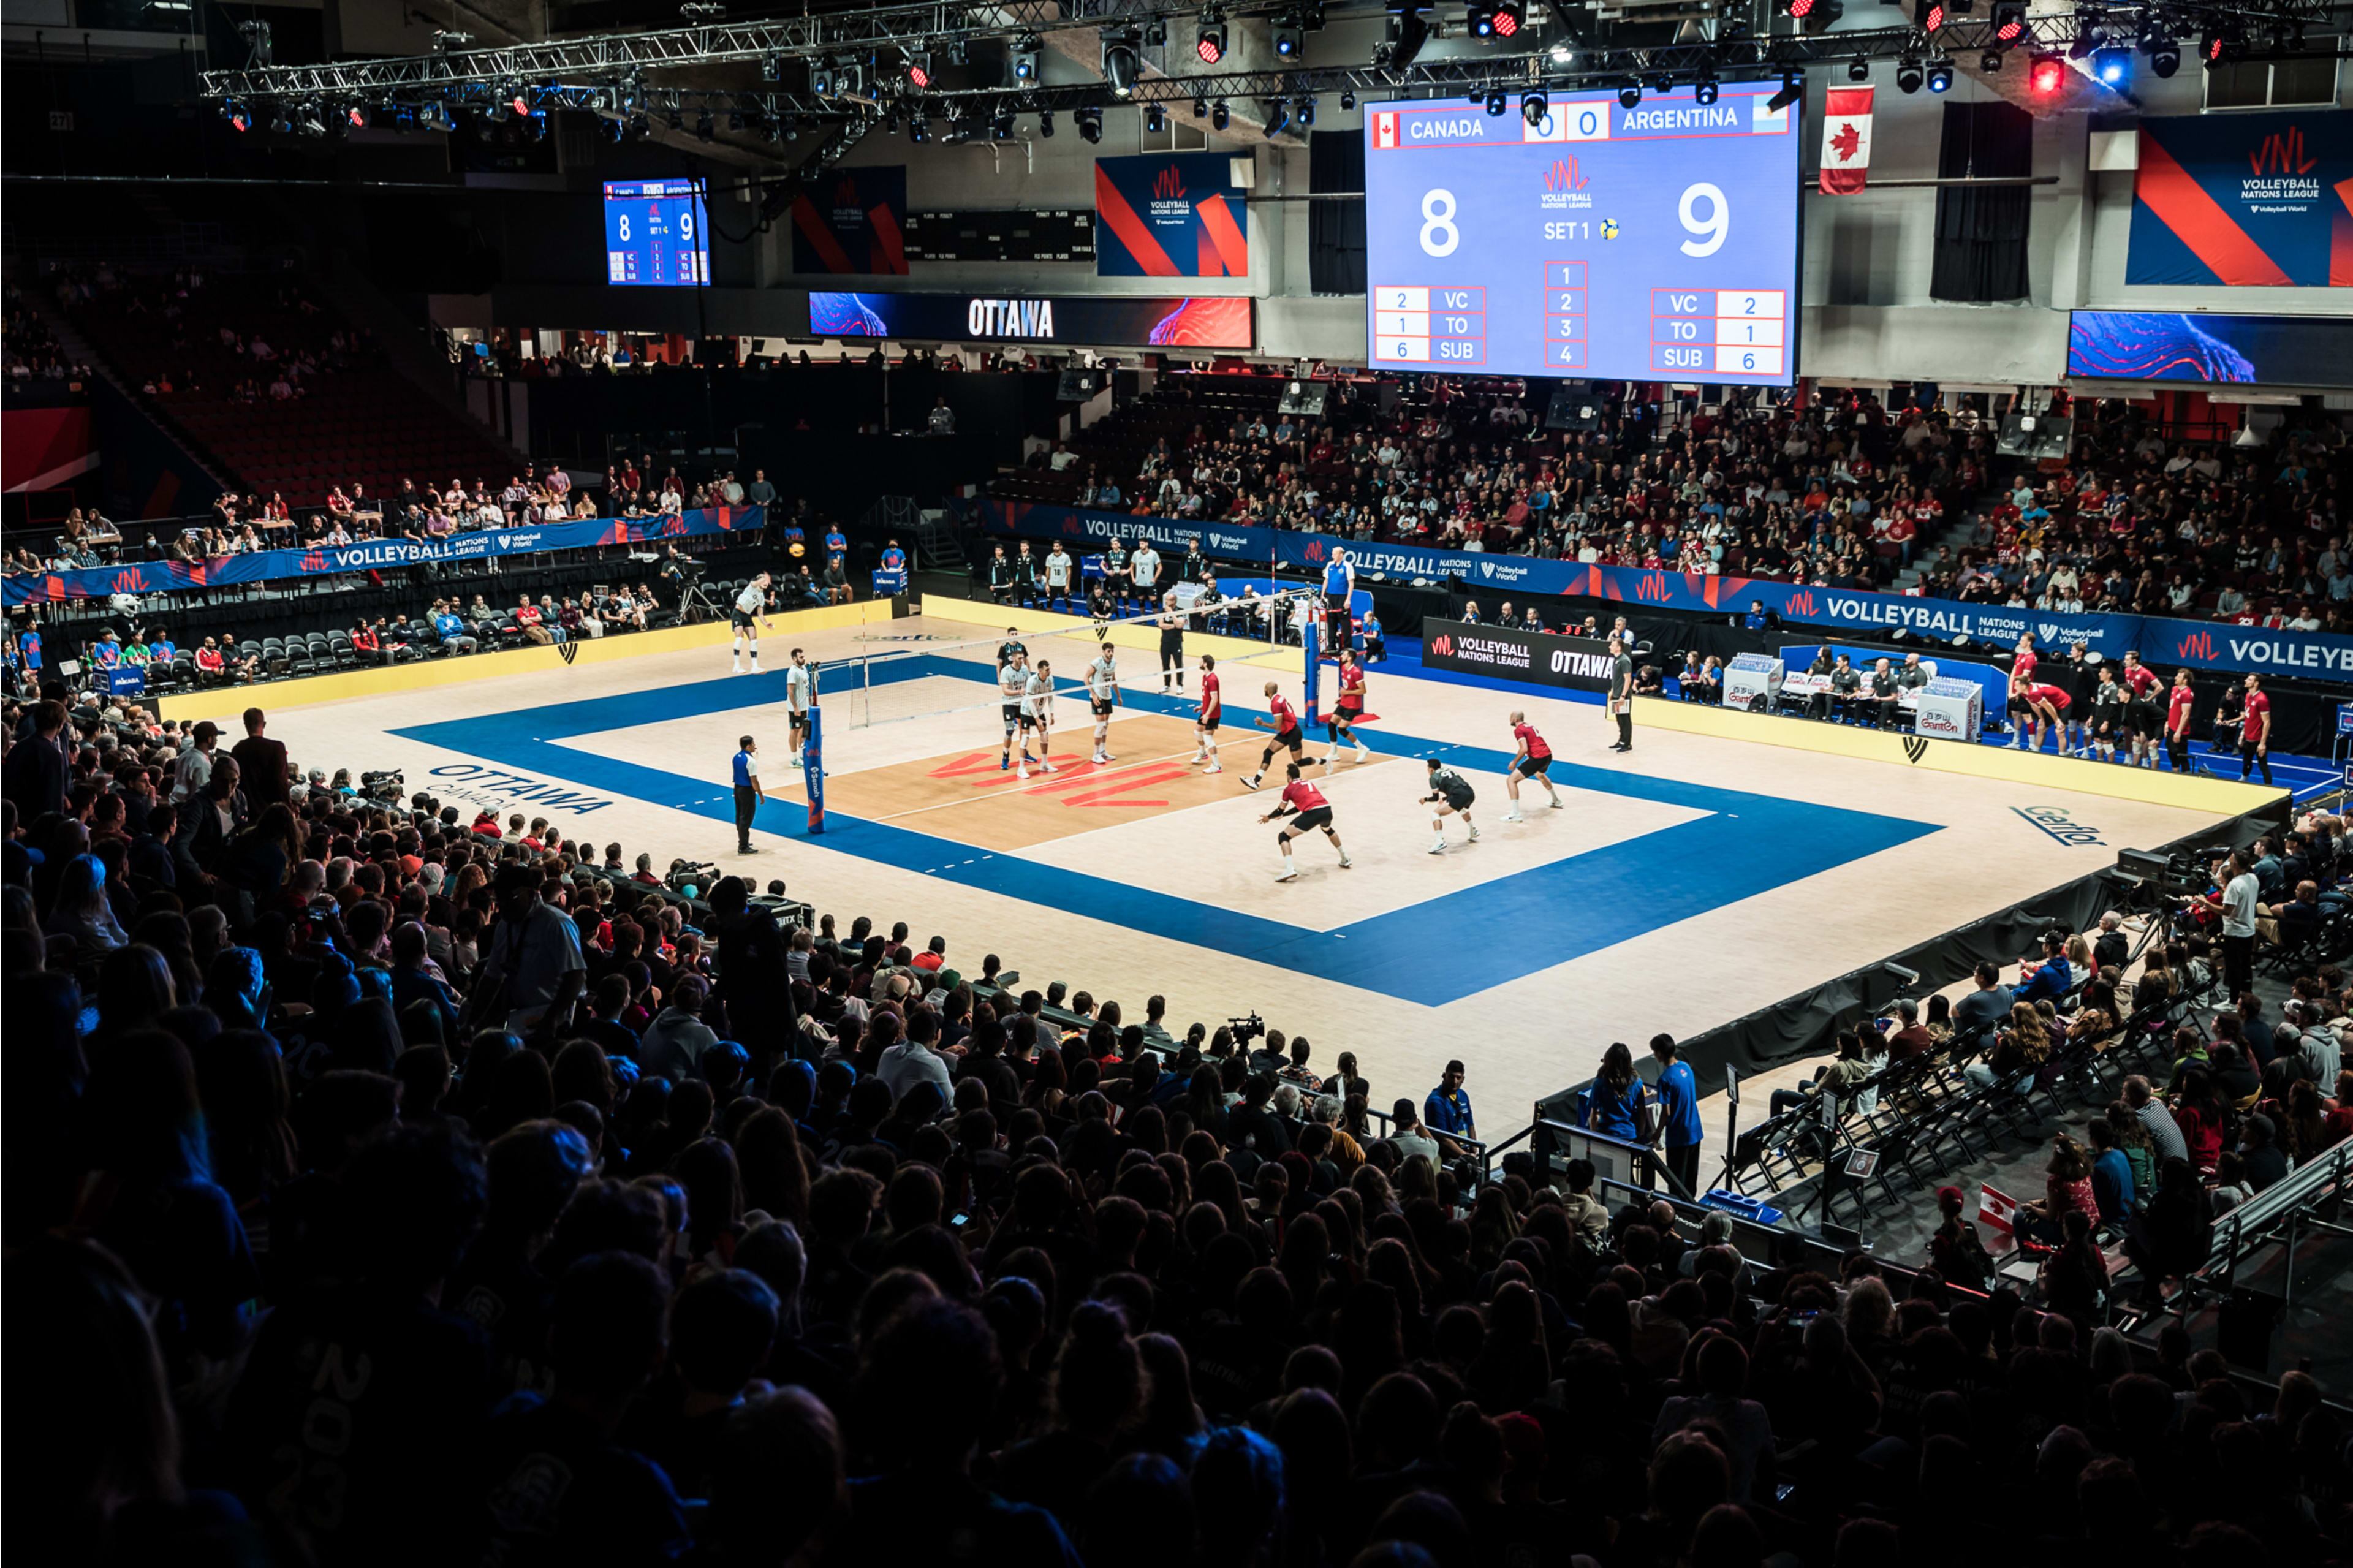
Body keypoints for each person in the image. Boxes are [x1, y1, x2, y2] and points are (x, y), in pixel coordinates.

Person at [469, 863, 588, 1047]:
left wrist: (552, 1019)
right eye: (498, 899)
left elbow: (576, 976)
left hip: (554, 1022)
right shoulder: (504, 926)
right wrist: (472, 1022)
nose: (502, 906)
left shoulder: (556, 924)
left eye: (510, 898)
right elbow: (492, 978)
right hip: (522, 1021)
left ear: (531, 893)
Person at [1258, 762, 1350, 882]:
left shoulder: (1289, 789)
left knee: (1284, 836)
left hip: (1313, 813)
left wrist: (1269, 817)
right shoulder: (1308, 783)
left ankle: (1289, 869)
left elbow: (1280, 809)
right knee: (1327, 829)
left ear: (1288, 776)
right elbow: (1299, 807)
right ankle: (1345, 857)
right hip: (1327, 810)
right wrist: (1284, 815)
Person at [2190, 848, 2260, 999]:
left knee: (2235, 968)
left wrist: (2205, 903)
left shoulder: (2234, 885)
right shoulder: (2253, 878)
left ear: (2234, 864)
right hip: (2249, 929)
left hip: (2235, 931)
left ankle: (2234, 1000)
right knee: (2245, 966)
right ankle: (2246, 996)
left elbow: (2227, 911)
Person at [1651, 1033, 1705, 1196]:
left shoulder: (1665, 1080)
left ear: (1659, 1053)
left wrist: (1657, 1133)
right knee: (1690, 1179)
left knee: (1676, 1182)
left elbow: (1666, 1113)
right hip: (1695, 1131)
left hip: (1679, 1136)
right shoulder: (1686, 1068)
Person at [1238, 682, 1306, 792]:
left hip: (1293, 732)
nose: (1264, 691)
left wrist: (1262, 724)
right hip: (1287, 731)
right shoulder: (1279, 698)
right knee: (1268, 753)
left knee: (1299, 762)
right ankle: (1256, 781)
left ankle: (1323, 761)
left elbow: (1278, 726)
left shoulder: (1275, 704)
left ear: (1268, 691)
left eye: (1265, 689)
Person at [1502, 710, 1563, 822]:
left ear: (1515, 719)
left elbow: (1524, 748)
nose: (1509, 719)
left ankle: (1515, 814)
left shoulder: (1518, 730)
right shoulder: (1530, 726)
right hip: (1547, 756)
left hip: (1538, 758)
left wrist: (1515, 762)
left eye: (1511, 717)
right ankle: (1556, 800)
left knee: (1511, 780)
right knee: (1540, 775)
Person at [231, 706, 290, 810]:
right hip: (272, 811)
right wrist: (287, 807)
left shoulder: (238, 750)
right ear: (264, 724)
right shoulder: (277, 747)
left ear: (246, 725)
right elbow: (281, 781)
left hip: (247, 809)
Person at [1324, 648, 1372, 772]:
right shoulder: (1344, 668)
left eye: (1344, 654)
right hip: (1344, 702)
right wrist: (1341, 698)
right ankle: (1334, 752)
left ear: (1350, 658)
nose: (1342, 656)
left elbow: (1363, 691)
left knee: (1342, 729)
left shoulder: (1356, 672)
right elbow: (1347, 687)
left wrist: (1346, 693)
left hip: (1353, 706)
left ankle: (1362, 748)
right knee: (1331, 724)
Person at [1422, 756, 1479, 854]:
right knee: (1461, 808)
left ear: (1431, 769)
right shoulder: (1449, 770)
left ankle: (1439, 841)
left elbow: (1435, 798)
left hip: (1459, 795)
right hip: (1470, 793)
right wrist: (1445, 798)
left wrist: (1425, 799)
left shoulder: (1433, 778)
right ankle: (1472, 831)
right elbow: (1455, 785)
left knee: (1435, 814)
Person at [1424, 1060, 1476, 1159]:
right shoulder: (1436, 1102)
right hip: (1450, 1156)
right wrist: (1466, 1157)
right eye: (1452, 1077)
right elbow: (1443, 1139)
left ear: (1463, 1079)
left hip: (1465, 1152)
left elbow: (1470, 1124)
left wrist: (1475, 1149)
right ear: (1444, 1076)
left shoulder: (1463, 1095)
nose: (1455, 1082)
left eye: (1459, 1078)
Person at [1020, 658, 1058, 781]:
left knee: (1045, 736)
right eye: (1047, 670)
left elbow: (1050, 697)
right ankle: (1021, 769)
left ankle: (1044, 764)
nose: (1049, 671)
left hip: (1040, 711)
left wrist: (1052, 714)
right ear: (1040, 671)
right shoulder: (1032, 681)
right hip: (1027, 711)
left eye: (1049, 669)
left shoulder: (1050, 680)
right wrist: (1037, 719)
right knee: (1025, 738)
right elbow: (1030, 701)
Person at [1084, 643, 1121, 766]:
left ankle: (1103, 751)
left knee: (1106, 725)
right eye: (1109, 651)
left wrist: (1119, 696)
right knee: (1100, 725)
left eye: (1112, 651)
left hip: (1107, 696)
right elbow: (1086, 678)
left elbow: (1113, 679)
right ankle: (1095, 755)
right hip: (1098, 697)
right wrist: (1093, 694)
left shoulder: (1113, 663)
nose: (1111, 653)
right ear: (1103, 651)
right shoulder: (1097, 662)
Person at [996, 647, 1031, 775]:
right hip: (1009, 704)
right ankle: (1006, 756)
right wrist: (1019, 692)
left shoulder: (1025, 670)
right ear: (1013, 659)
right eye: (1020, 658)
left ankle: (1024, 752)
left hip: (1022, 704)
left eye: (1023, 658)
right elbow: (1005, 691)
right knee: (1010, 730)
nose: (1022, 660)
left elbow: (1029, 683)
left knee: (1025, 730)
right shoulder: (1006, 671)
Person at [731, 572, 770, 674]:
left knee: (754, 640)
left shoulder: (762, 597)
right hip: (738, 614)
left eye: (767, 582)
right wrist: (764, 578)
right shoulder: (752, 586)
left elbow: (760, 614)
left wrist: (766, 624)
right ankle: (736, 666)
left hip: (747, 617)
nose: (766, 583)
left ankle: (755, 667)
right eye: (764, 581)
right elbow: (755, 583)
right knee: (739, 637)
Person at [2238, 673, 2273, 786]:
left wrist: (2262, 744)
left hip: (2257, 739)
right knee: (2246, 761)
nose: (2246, 681)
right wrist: (2242, 734)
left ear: (2256, 683)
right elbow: (2248, 717)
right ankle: (2244, 780)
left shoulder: (2262, 700)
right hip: (2248, 737)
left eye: (2249, 679)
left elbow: (2267, 722)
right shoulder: (2248, 696)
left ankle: (2269, 787)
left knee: (2263, 765)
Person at [732, 734, 762, 856]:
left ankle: (743, 841)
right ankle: (743, 847)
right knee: (747, 818)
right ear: (748, 746)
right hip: (747, 791)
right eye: (754, 744)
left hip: (737, 788)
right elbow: (754, 780)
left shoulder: (736, 757)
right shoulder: (751, 761)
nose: (755, 746)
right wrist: (760, 794)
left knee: (740, 816)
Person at [1193, 653, 1223, 775]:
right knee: (1197, 732)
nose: (1199, 663)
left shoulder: (1212, 679)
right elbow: (1208, 697)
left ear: (1205, 664)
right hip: (1206, 711)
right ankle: (1202, 753)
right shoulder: (1205, 677)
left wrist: (1207, 715)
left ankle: (1216, 765)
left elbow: (1215, 699)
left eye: (1201, 661)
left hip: (1212, 714)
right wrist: (1202, 707)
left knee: (1208, 738)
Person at [1607, 634, 1636, 752]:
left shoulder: (1624, 661)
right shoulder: (1617, 660)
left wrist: (1623, 696)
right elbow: (1617, 679)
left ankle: (1627, 744)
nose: (1610, 647)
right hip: (1617, 694)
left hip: (1623, 696)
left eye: (1612, 645)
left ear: (1618, 648)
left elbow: (1628, 679)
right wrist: (1613, 692)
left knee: (1625, 719)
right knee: (1619, 718)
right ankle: (1621, 740)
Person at [784, 648, 813, 757]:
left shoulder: (804, 669)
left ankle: (802, 754)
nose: (804, 659)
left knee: (804, 729)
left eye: (804, 656)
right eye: (801, 657)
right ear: (794, 659)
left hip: (804, 705)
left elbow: (806, 686)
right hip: (795, 707)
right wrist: (795, 707)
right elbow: (790, 691)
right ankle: (794, 758)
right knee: (795, 730)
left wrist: (809, 698)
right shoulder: (793, 672)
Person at [1154, 594, 1185, 694]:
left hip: (1176, 642)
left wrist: (1172, 613)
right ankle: (1167, 685)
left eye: (1169, 600)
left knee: (1178, 664)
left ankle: (1180, 685)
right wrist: (1174, 626)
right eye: (1166, 600)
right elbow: (1161, 625)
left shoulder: (1181, 610)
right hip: (1165, 642)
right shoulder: (1163, 611)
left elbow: (1180, 625)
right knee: (1165, 664)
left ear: (1174, 601)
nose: (1166, 602)